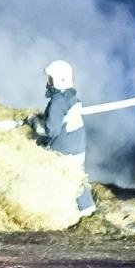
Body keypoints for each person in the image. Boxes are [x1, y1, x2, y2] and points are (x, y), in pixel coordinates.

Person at [32, 60, 96, 216]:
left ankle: (55, 214)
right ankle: (88, 212)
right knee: (77, 180)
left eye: (50, 79)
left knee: (53, 180)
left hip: (63, 151)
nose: (48, 84)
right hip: (77, 147)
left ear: (58, 81)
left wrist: (33, 121)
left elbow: (50, 130)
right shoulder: (72, 97)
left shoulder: (57, 102)